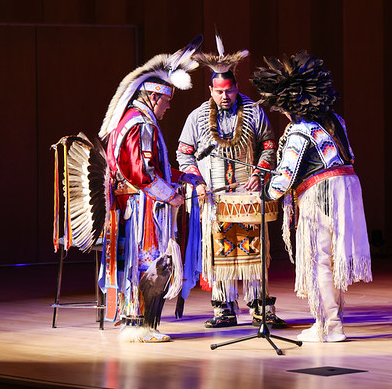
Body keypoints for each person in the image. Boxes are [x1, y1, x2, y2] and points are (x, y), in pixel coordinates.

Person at [251, 51, 372, 343]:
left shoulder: (299, 130)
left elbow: (285, 177)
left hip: (322, 193)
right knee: (332, 260)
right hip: (347, 188)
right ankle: (334, 322)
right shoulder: (336, 121)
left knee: (318, 259)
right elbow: (348, 156)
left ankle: (328, 325)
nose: (282, 114)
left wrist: (265, 191)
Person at [176, 34, 286, 329]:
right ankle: (224, 308)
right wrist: (197, 182)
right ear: (210, 90)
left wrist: (258, 173)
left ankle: (260, 306)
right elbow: (184, 156)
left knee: (254, 249)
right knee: (220, 250)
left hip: (247, 195)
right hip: (214, 196)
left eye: (229, 90)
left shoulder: (253, 112)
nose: (225, 96)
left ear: (236, 87)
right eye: (219, 92)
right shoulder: (197, 118)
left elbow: (268, 144)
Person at [97, 36, 202, 342]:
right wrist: (171, 195)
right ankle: (138, 326)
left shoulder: (134, 120)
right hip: (140, 211)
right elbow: (140, 173)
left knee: (146, 262)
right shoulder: (140, 124)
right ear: (154, 96)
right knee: (147, 261)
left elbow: (150, 167)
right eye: (168, 101)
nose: (169, 107)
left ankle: (143, 324)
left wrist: (182, 177)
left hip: (137, 206)